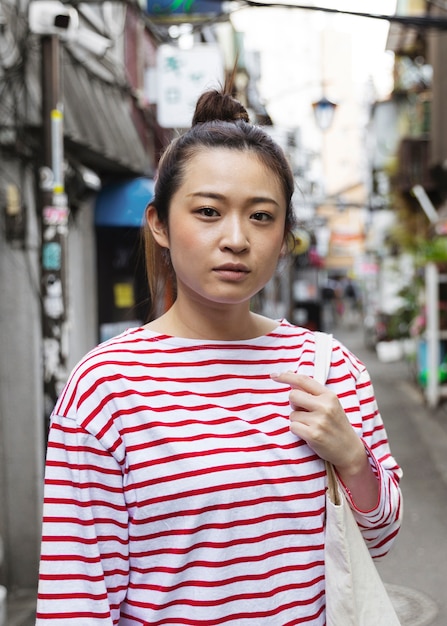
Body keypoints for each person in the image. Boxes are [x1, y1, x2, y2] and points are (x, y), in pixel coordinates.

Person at [36, 86, 402, 625]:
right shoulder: (106, 387)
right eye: (208, 211)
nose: (236, 239)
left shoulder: (330, 368)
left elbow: (383, 537)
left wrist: (352, 457)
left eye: (261, 216)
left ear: (284, 238)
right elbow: (77, 602)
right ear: (159, 223)